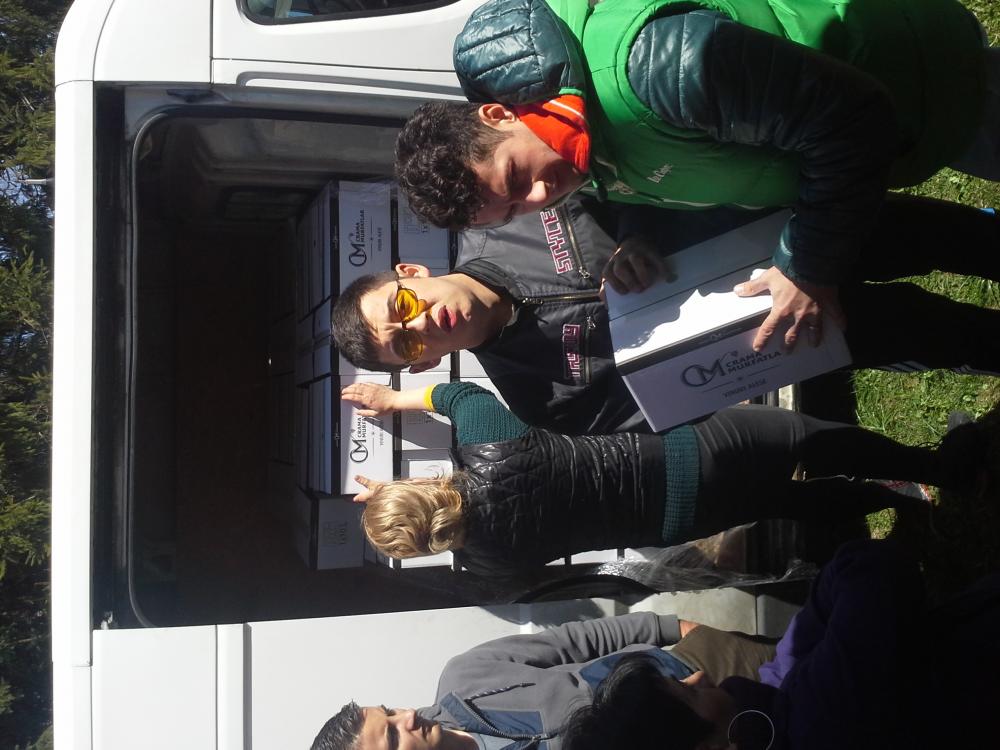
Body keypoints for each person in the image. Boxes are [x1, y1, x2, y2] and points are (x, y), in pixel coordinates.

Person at [395, 0, 999, 350]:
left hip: (933, 84)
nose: (539, 195)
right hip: (919, 122)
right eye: (513, 212)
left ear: (498, 114)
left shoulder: (652, 68)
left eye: (514, 179)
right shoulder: (569, 143)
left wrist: (809, 268)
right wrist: (636, 233)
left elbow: (851, 121)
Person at [331, 194, 1000, 435]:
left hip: (792, 237)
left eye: (403, 308)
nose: (420, 326)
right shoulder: (541, 399)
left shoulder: (506, 213)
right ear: (422, 363)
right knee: (953, 337)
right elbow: (677, 409)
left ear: (410, 274)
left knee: (955, 238)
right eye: (406, 345)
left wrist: (634, 233)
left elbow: (622, 175)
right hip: (797, 329)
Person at [342, 380, 976, 578]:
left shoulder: (489, 564)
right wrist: (394, 402)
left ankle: (901, 498)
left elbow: (467, 537)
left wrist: (395, 512)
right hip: (681, 454)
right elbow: (455, 394)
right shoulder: (490, 445)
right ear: (412, 488)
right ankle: (935, 468)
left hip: (676, 518)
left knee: (787, 499)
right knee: (804, 436)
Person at [561, 538, 1000, 750]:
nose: (699, 675)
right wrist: (802, 649)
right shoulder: (820, 707)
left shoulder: (793, 706)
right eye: (689, 694)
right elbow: (871, 569)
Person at [310, 610, 779, 750]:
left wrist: (672, 629)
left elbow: (574, 640)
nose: (408, 716)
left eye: (390, 711)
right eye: (393, 736)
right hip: (698, 740)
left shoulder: (464, 676)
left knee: (808, 658)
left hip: (694, 670)